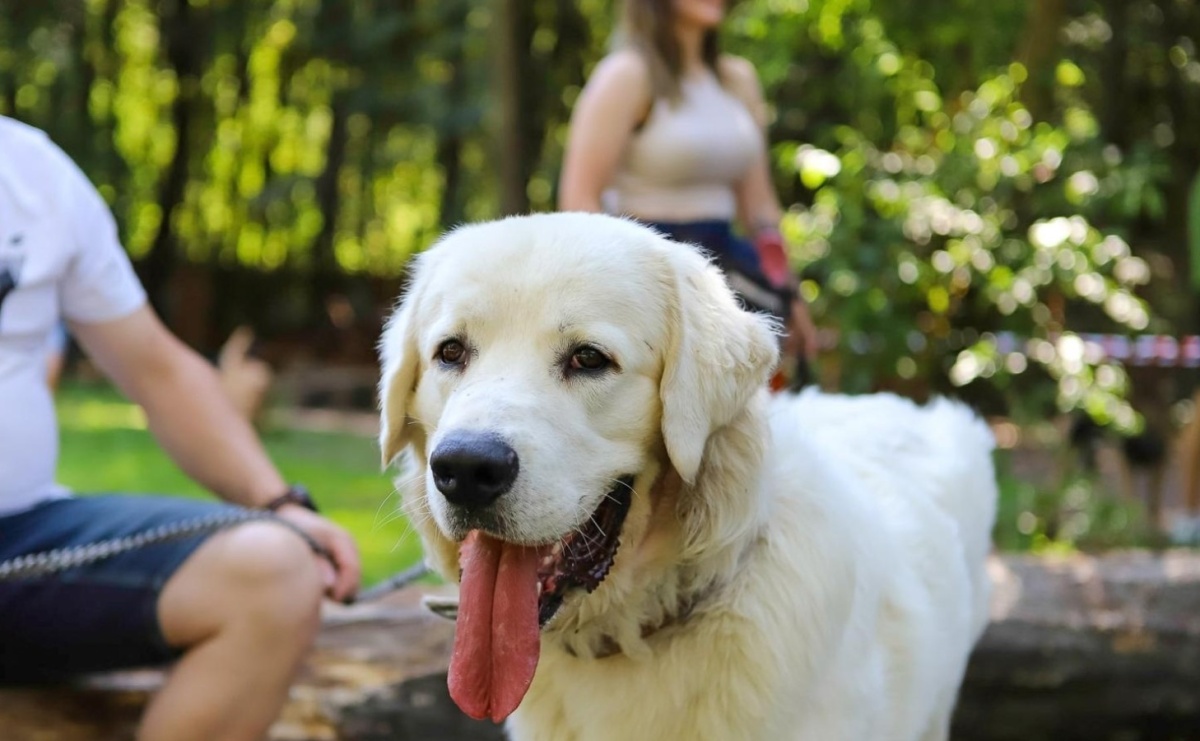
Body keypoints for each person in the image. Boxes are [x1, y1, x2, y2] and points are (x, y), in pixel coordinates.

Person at [0, 115, 361, 741]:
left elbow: (156, 369)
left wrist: (279, 504)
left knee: (274, 570)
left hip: (25, 542)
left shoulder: (32, 172)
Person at [558, 0, 819, 388]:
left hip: (728, 274)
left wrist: (788, 292)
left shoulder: (737, 80)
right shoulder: (627, 75)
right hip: (651, 277)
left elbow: (759, 205)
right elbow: (579, 198)